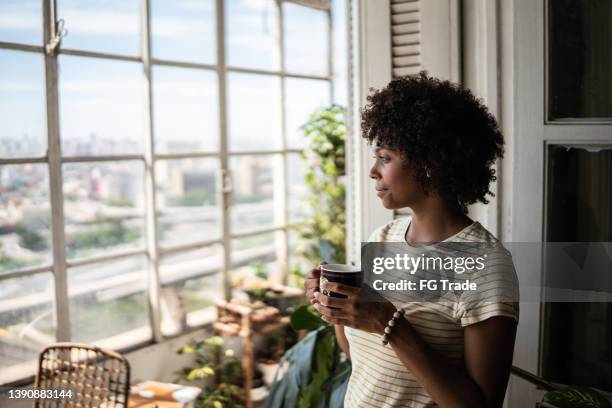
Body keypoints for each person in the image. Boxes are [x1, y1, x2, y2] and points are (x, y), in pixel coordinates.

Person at [304, 71, 519, 408]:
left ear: (429, 163)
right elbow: (361, 357)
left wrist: (389, 324)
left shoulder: (486, 267)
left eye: (385, 158)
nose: (373, 171)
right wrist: (337, 308)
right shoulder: (383, 238)